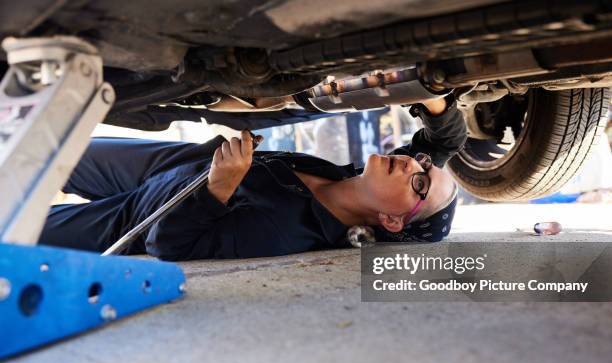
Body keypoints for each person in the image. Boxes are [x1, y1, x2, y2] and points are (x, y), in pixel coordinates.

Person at [39, 95, 466, 260]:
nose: (414, 166)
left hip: (136, 219)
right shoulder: (364, 178)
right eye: (422, 164)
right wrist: (431, 96)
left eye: (420, 184)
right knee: (41, 152)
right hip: (167, 163)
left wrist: (219, 188)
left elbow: (168, 245)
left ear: (391, 221)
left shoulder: (285, 235)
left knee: (17, 225)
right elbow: (444, 142)